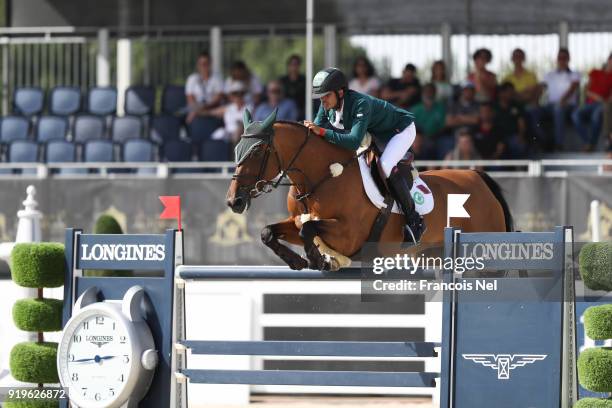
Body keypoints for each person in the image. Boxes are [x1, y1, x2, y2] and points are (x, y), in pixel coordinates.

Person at [303, 67, 424, 243]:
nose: (323, 101)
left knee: (384, 165)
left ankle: (415, 220)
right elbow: (317, 134)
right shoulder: (326, 106)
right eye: (321, 97)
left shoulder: (360, 103)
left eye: (326, 96)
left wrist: (321, 131)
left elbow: (351, 141)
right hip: (375, 135)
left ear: (340, 92)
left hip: (399, 130)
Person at [536, 48, 581, 150]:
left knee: (558, 109)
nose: (562, 60)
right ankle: (543, 141)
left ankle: (558, 144)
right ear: (557, 59)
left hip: (568, 106)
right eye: (560, 58)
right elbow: (541, 89)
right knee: (532, 111)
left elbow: (573, 89)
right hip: (550, 106)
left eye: (564, 58)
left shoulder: (574, 74)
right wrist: (535, 101)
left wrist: (562, 101)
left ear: (568, 59)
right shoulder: (549, 74)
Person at [571, 53, 612, 151]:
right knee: (575, 115)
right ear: (609, 60)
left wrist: (603, 100)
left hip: (603, 105)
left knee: (596, 115)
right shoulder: (595, 72)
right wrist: (597, 97)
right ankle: (588, 142)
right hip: (590, 104)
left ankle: (592, 144)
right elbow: (586, 90)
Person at [205, 81, 253, 145]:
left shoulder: (249, 107)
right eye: (235, 94)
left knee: (239, 129)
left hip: (242, 137)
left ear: (243, 94)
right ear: (232, 95)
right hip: (227, 134)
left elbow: (247, 126)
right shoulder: (228, 108)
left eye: (240, 94)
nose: (238, 96)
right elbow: (210, 113)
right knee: (218, 134)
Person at [185, 52, 224, 123]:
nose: (203, 66)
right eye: (201, 64)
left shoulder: (217, 78)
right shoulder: (192, 78)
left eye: (205, 64)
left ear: (210, 64)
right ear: (198, 65)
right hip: (195, 108)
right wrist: (197, 108)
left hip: (212, 108)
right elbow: (190, 98)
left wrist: (203, 108)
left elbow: (218, 97)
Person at [495, 82, 528, 158]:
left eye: (512, 92)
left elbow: (521, 123)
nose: (511, 94)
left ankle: (519, 168)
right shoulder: (494, 106)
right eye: (508, 92)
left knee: (519, 145)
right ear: (501, 93)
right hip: (496, 136)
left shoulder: (516, 105)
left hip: (513, 136)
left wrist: (521, 136)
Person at [279, 54, 306, 120]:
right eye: (292, 64)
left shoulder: (304, 81)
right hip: (285, 111)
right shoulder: (282, 81)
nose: (294, 67)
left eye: (296, 64)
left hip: (301, 111)